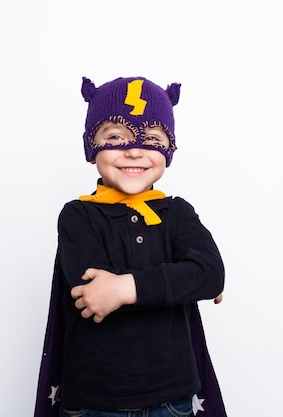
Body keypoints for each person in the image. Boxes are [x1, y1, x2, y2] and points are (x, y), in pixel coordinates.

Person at [34, 76, 227, 417]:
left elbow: (211, 275)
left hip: (172, 400)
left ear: (169, 149)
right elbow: (93, 294)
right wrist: (181, 281)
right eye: (115, 136)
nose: (134, 149)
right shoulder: (77, 216)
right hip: (93, 402)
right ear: (91, 146)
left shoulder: (178, 213)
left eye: (152, 137)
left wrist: (125, 287)